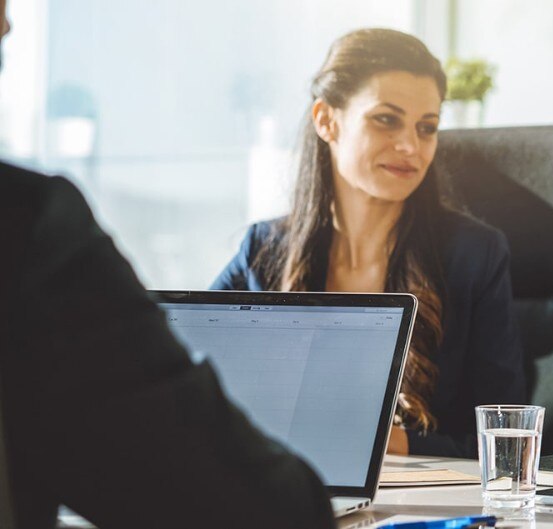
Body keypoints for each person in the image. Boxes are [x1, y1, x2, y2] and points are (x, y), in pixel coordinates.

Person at [0, 1, 335, 527]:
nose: (9, 23)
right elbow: (229, 490)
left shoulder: (475, 252)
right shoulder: (24, 226)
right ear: (327, 123)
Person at [211, 28, 525, 458]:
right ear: (326, 120)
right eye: (386, 119)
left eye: (427, 127)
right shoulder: (263, 250)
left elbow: (506, 442)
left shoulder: (475, 256)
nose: (409, 146)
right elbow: (177, 374)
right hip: (289, 492)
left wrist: (394, 443)